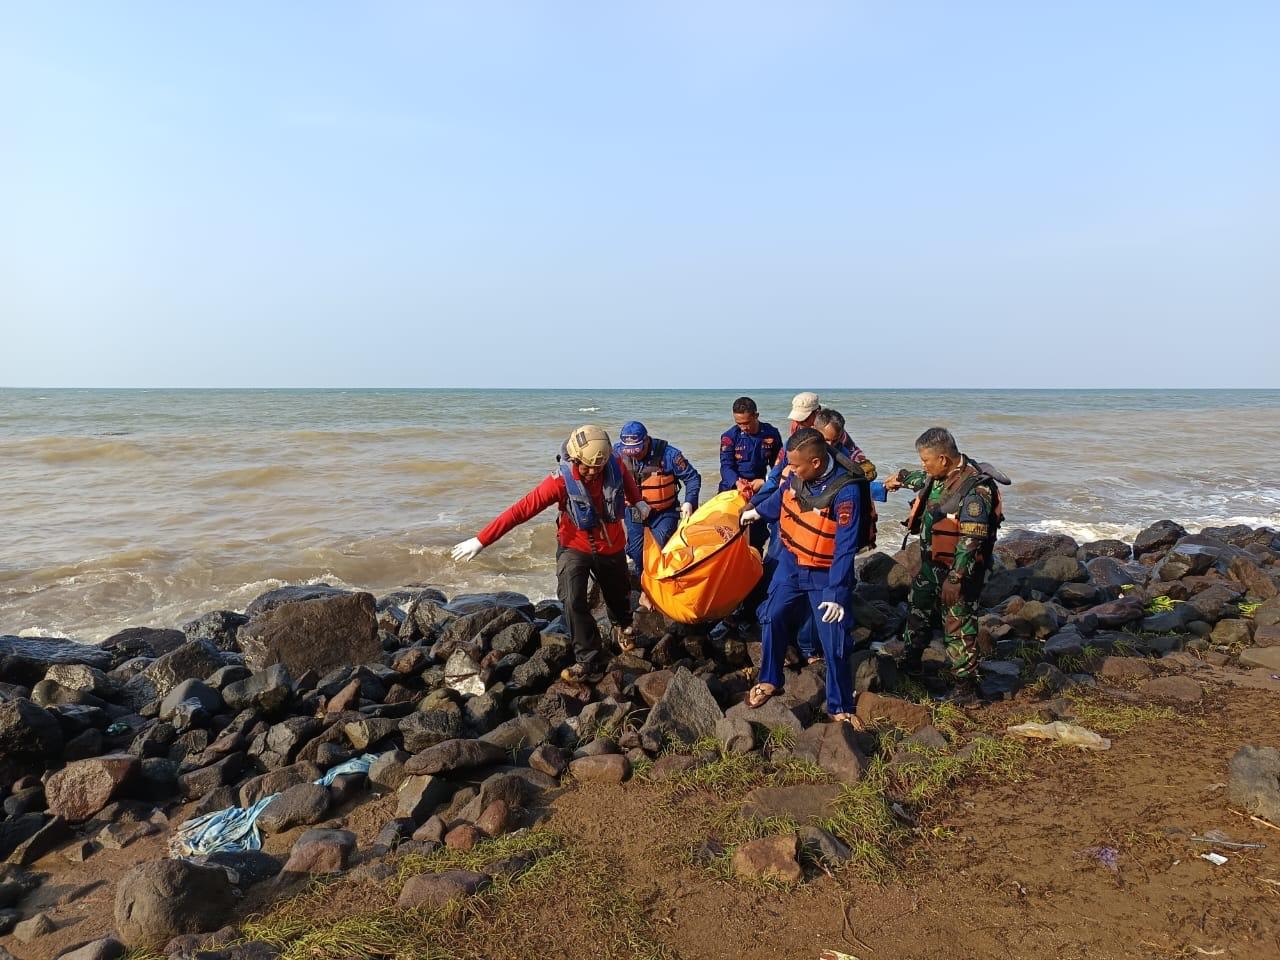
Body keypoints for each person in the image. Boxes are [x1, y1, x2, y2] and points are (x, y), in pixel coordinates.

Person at [450, 424, 650, 682]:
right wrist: (481, 539)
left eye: (597, 467)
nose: (592, 472)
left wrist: (639, 501)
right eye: (587, 466)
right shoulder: (559, 481)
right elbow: (521, 510)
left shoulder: (615, 465)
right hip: (573, 546)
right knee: (572, 599)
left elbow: (627, 483)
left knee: (619, 597)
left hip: (611, 546)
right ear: (575, 458)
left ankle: (622, 627)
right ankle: (589, 660)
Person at [739, 428, 874, 725]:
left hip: (826, 574)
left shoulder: (846, 492)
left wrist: (837, 593)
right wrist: (757, 512)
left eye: (797, 465)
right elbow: (782, 500)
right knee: (771, 616)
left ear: (815, 463)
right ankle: (769, 678)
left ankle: (839, 705)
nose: (792, 469)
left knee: (834, 639)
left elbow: (845, 547)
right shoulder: (796, 472)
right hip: (791, 563)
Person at [882, 427, 1008, 702]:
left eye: (926, 460)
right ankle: (910, 664)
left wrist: (956, 578)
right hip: (931, 567)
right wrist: (900, 478)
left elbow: (971, 540)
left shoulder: (975, 490)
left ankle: (966, 687)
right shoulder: (938, 475)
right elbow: (921, 479)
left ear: (943, 459)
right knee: (918, 613)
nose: (923, 466)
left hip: (959, 572)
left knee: (957, 625)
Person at [614, 421, 702, 575]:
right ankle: (644, 579)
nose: (634, 455)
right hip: (634, 512)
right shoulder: (615, 454)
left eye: (638, 451)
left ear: (647, 440)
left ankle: (656, 583)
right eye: (630, 452)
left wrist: (689, 502)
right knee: (635, 551)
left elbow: (692, 478)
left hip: (664, 512)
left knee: (659, 546)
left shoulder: (669, 455)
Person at [718, 396, 783, 496]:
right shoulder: (729, 437)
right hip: (733, 486)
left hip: (759, 484)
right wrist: (737, 483)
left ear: (756, 415)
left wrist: (766, 481)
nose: (743, 428)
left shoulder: (771, 433)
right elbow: (726, 466)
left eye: (746, 423)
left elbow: (778, 464)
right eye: (739, 424)